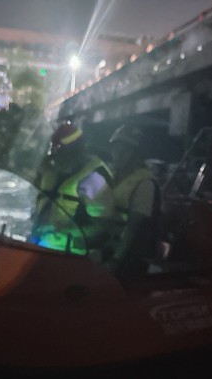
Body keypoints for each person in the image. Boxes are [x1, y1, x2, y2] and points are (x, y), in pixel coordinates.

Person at [30, 121, 113, 253]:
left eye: (62, 152)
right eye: (55, 152)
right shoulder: (51, 172)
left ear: (77, 151)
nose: (56, 158)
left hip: (69, 252)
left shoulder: (92, 178)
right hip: (39, 244)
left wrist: (64, 230)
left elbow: (103, 225)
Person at [96, 124, 161, 282]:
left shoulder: (145, 184)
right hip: (105, 247)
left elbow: (132, 227)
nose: (118, 154)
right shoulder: (111, 176)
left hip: (128, 258)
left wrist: (115, 260)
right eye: (116, 148)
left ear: (137, 155)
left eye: (125, 150)